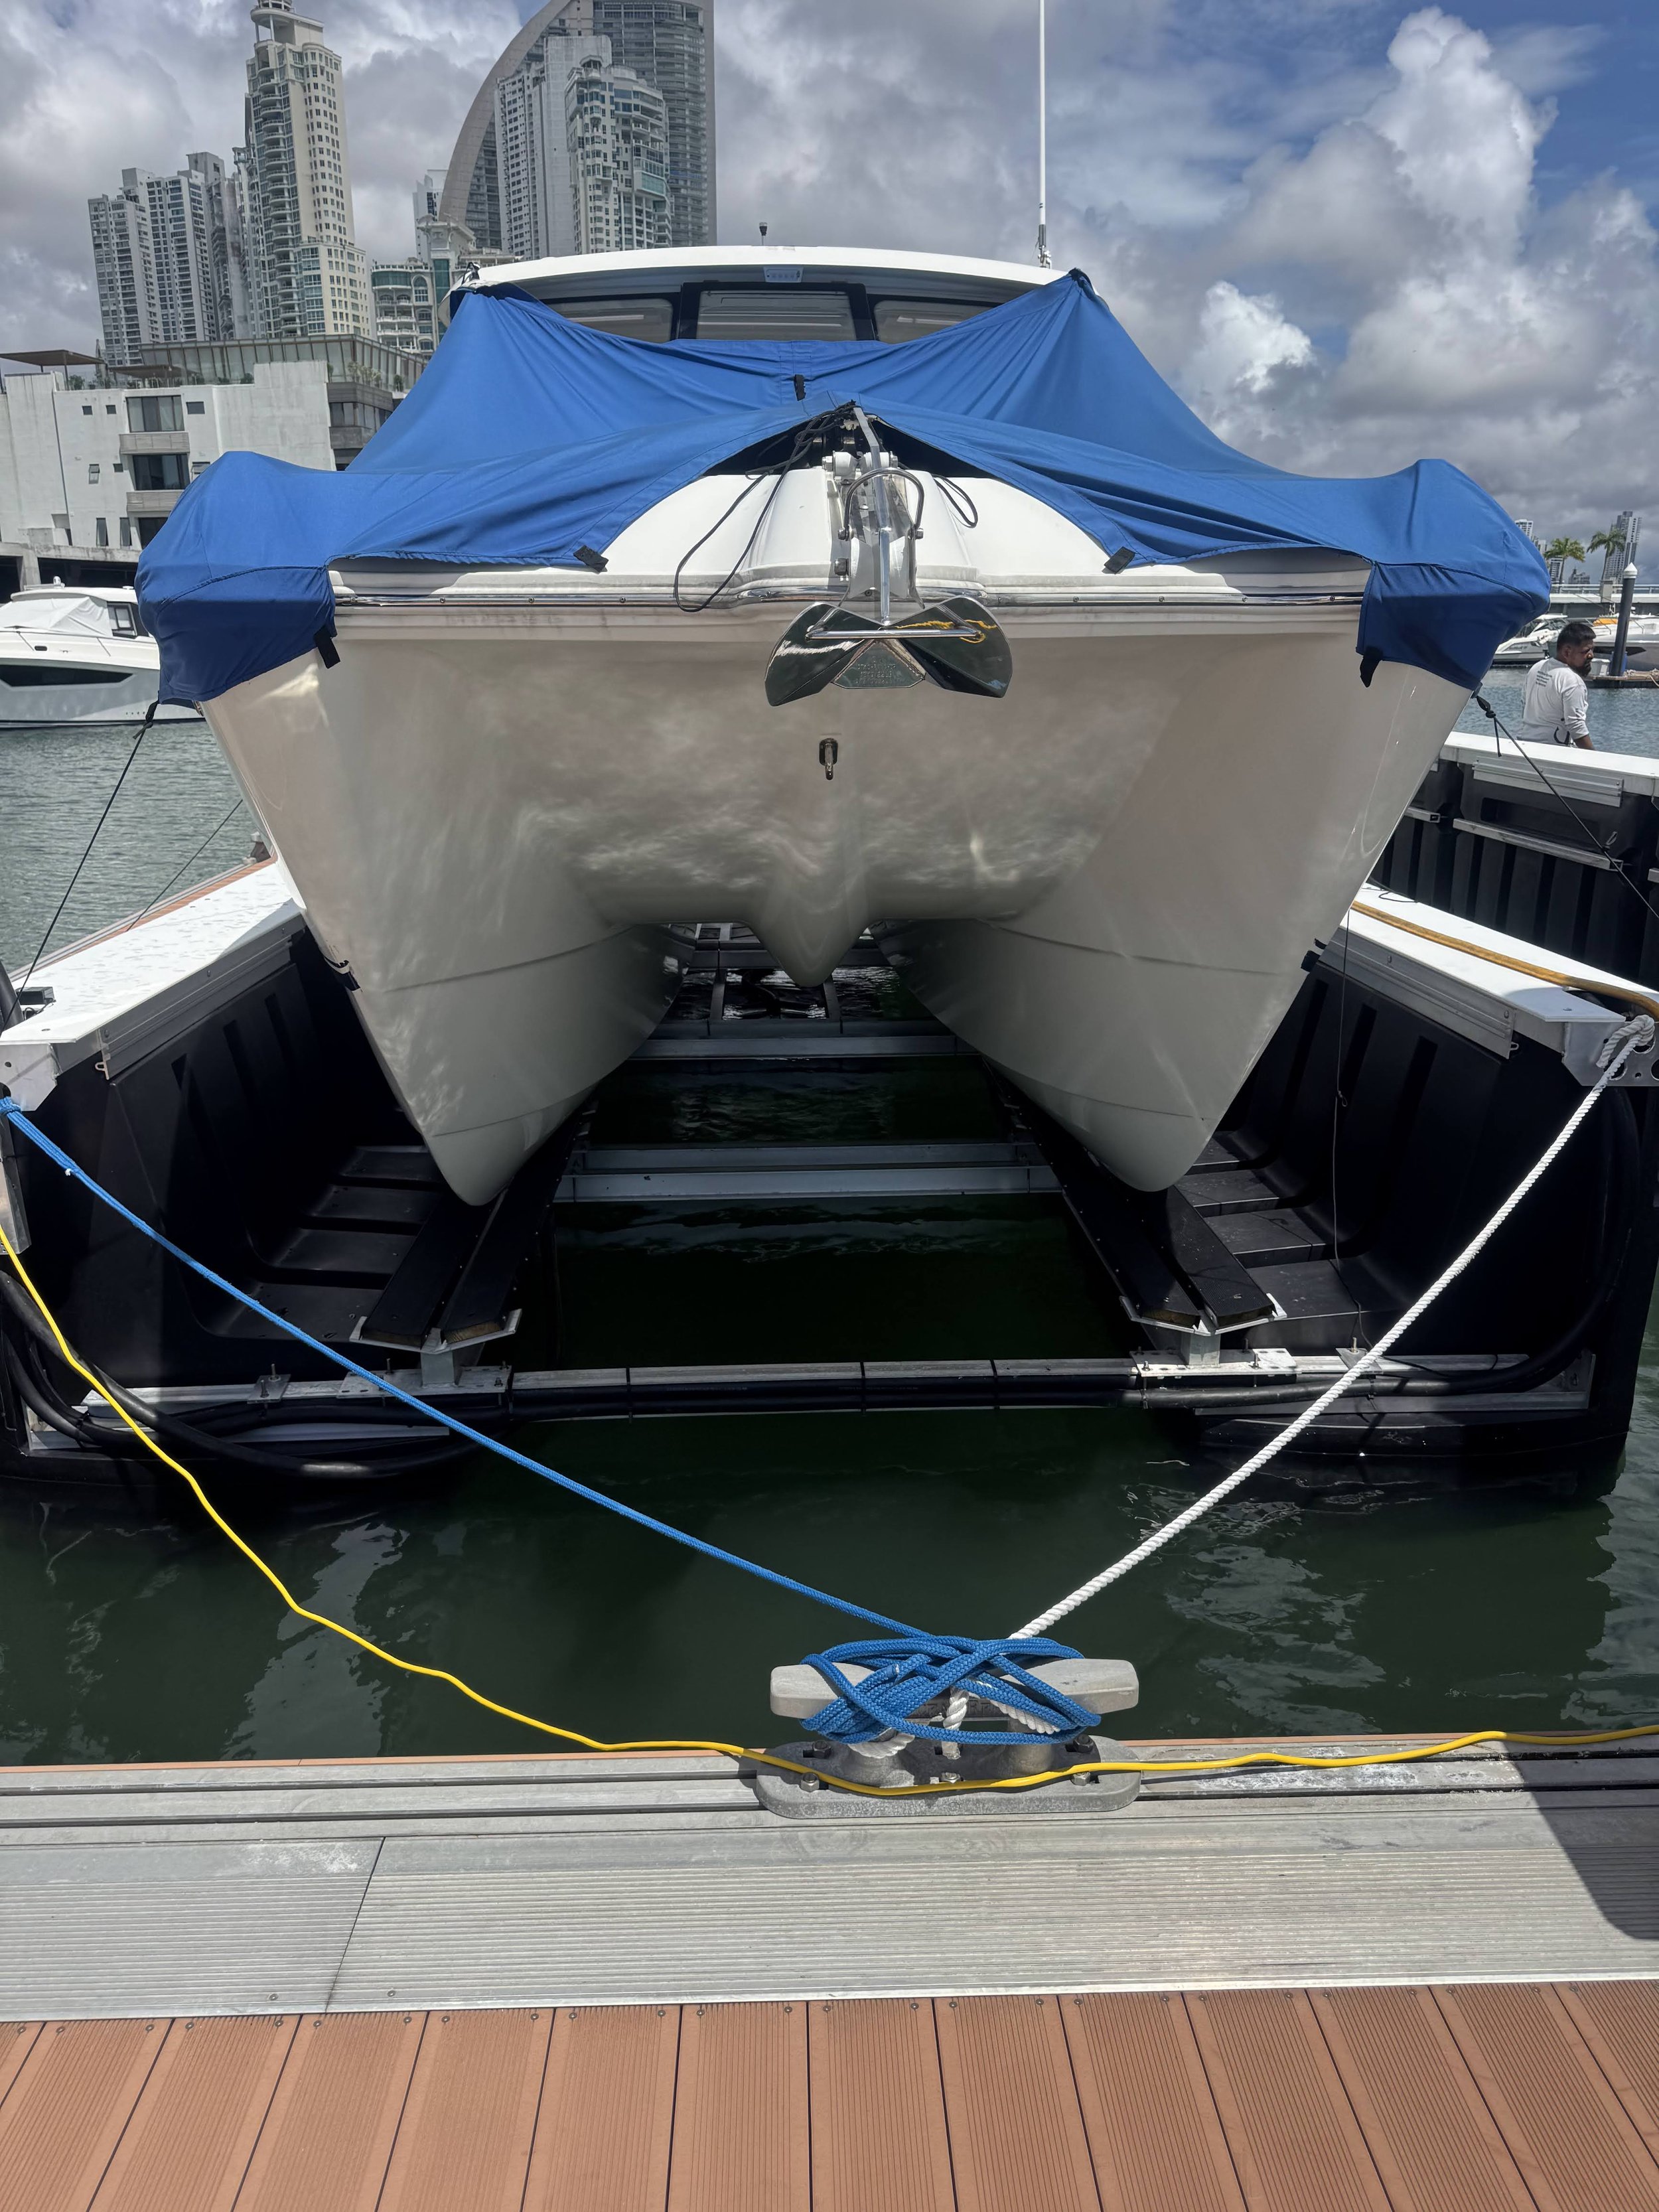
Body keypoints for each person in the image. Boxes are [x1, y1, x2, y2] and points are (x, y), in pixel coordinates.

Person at [1520, 619, 1596, 748]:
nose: (1591, 656)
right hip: (1554, 753)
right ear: (1567, 652)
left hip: (1525, 746)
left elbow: (1524, 704)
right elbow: (1576, 726)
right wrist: (1595, 761)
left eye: (1592, 650)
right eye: (1585, 651)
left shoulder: (1537, 668)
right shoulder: (1573, 682)